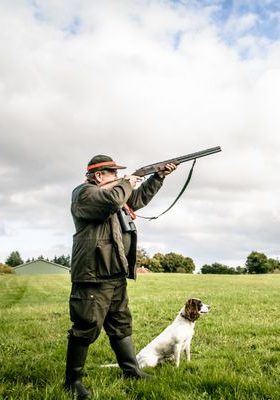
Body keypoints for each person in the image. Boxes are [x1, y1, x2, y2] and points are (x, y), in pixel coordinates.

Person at [64, 154, 176, 399]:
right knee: (86, 326)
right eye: (112, 173)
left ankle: (131, 371)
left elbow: (136, 199)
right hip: (93, 275)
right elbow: (113, 200)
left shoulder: (114, 193)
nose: (116, 177)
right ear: (99, 176)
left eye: (117, 174)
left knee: (121, 325)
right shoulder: (84, 194)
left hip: (114, 273)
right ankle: (72, 382)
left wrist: (157, 177)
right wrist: (127, 181)